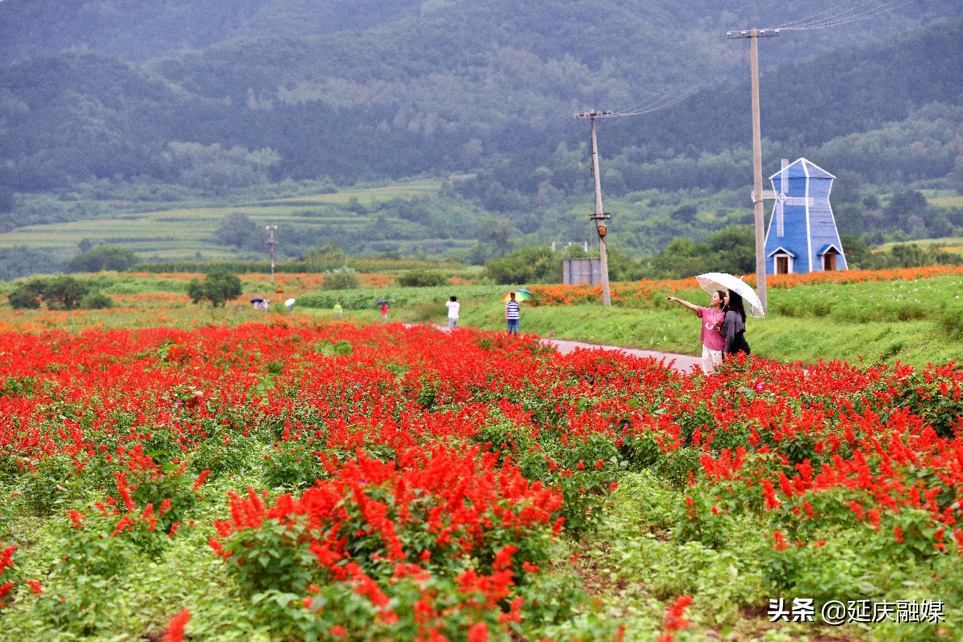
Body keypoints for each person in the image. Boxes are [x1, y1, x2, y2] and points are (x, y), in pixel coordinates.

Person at [665, 290, 726, 374]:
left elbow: (726, 335)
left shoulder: (724, 315)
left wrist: (717, 327)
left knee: (719, 373)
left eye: (715, 297)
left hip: (717, 349)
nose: (712, 298)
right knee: (707, 373)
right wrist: (676, 299)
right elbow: (691, 305)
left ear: (721, 301)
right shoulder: (707, 311)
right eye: (712, 296)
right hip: (706, 346)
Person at [721, 290, 751, 357]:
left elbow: (730, 335)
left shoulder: (730, 313)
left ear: (732, 298)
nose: (724, 298)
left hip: (737, 348)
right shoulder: (739, 312)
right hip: (743, 346)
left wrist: (727, 351)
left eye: (726, 296)